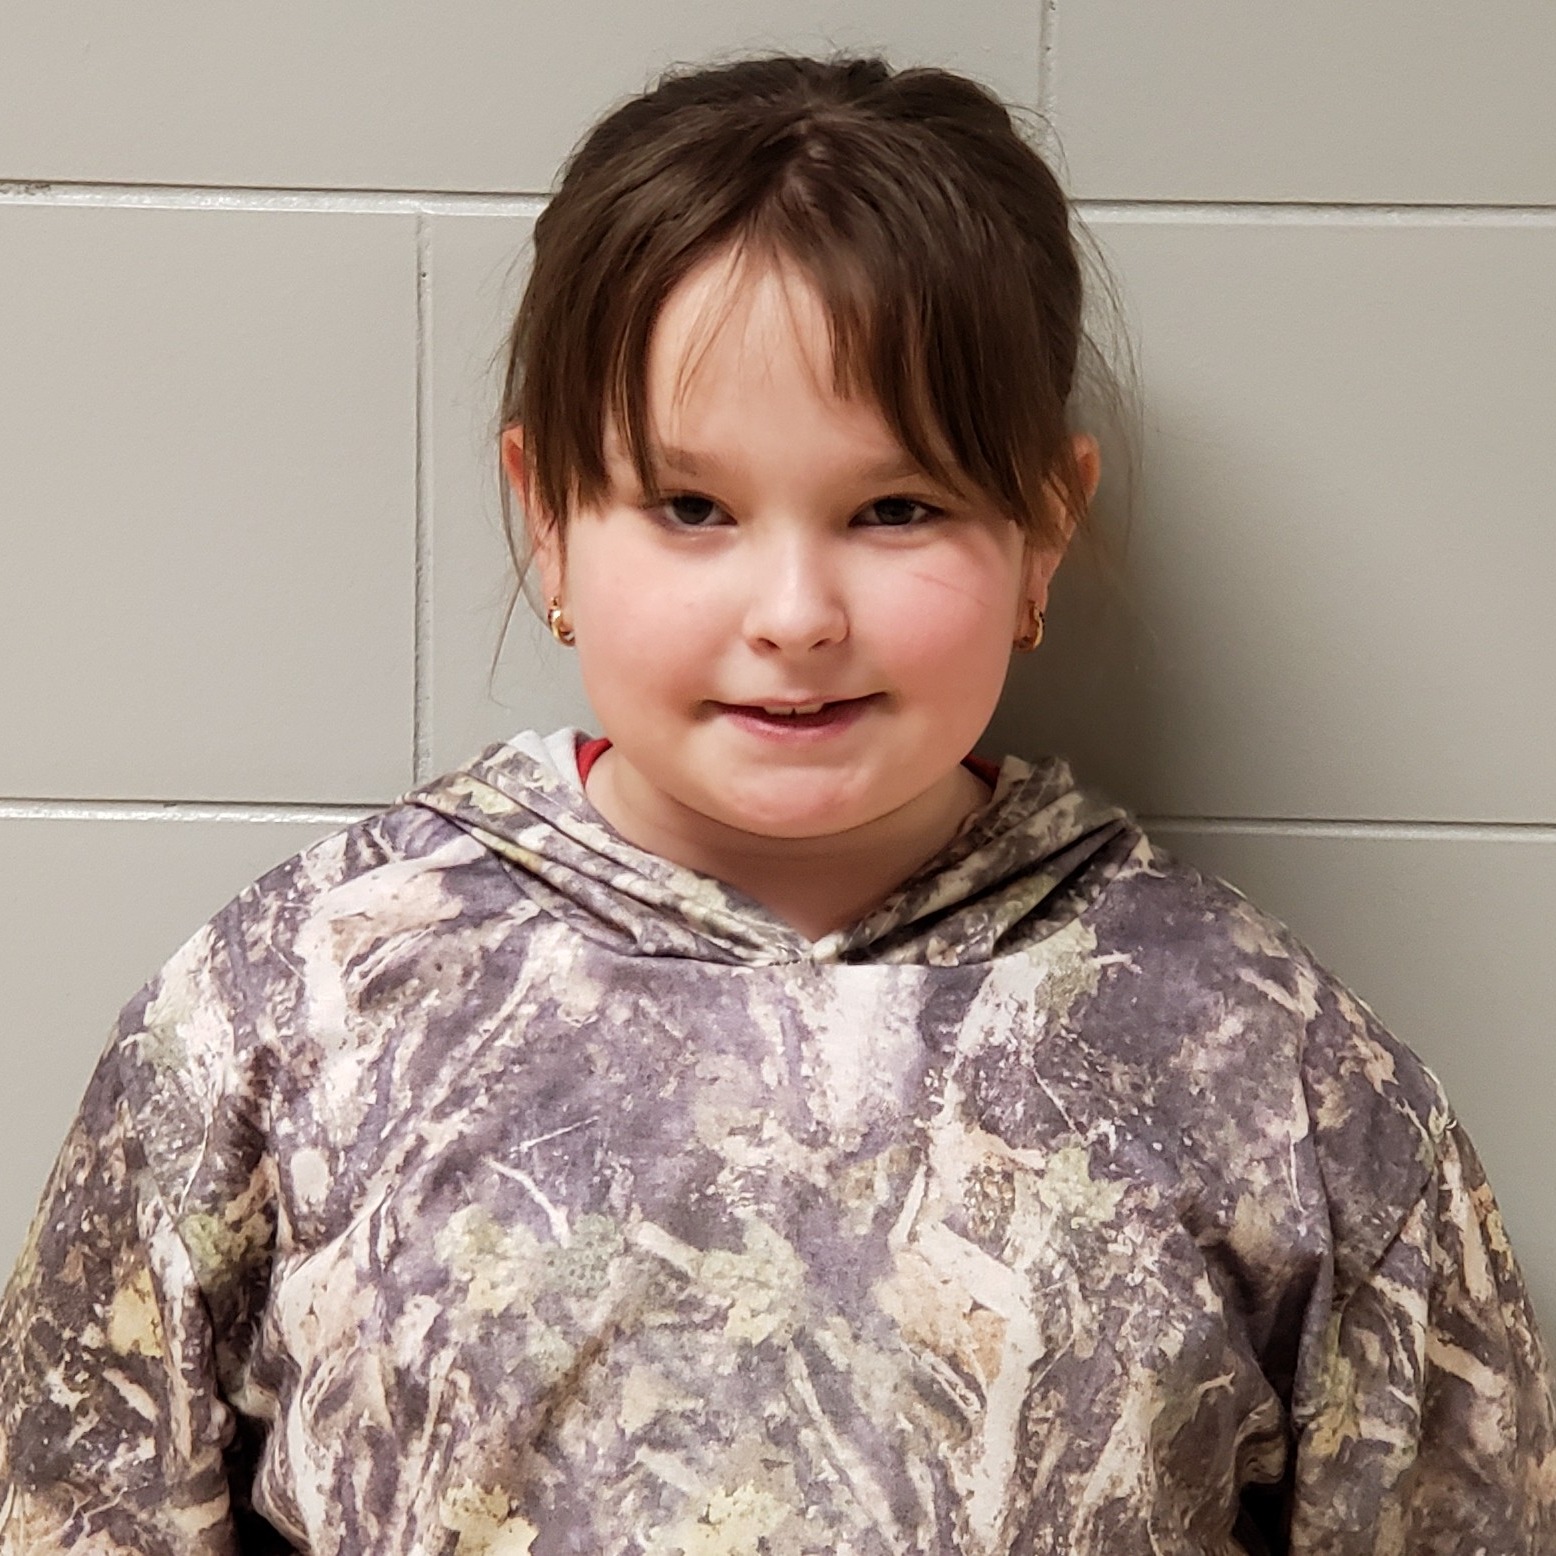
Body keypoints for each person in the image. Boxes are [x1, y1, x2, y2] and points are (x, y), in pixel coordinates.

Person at [0, 52, 1551, 1556]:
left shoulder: (1267, 1064)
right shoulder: (295, 1009)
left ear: (1041, 528)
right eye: (691, 508)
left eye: (898, 508)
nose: (797, 610)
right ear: (546, 520)